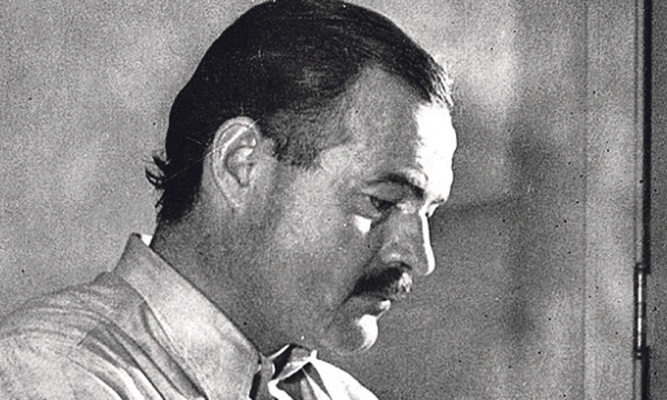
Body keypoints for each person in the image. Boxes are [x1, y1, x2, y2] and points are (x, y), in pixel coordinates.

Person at [0, 0, 457, 398]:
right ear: (241, 165)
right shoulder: (52, 373)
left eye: (429, 213)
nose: (421, 259)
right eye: (382, 202)